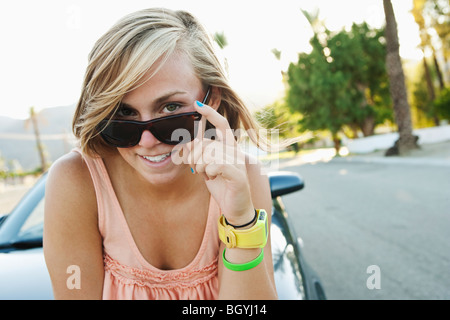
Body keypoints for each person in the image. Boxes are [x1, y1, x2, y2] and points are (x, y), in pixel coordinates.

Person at [43, 7, 278, 300]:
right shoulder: (76, 181)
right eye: (124, 115)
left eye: (170, 109)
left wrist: (240, 221)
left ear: (212, 98)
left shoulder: (243, 176)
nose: (147, 140)